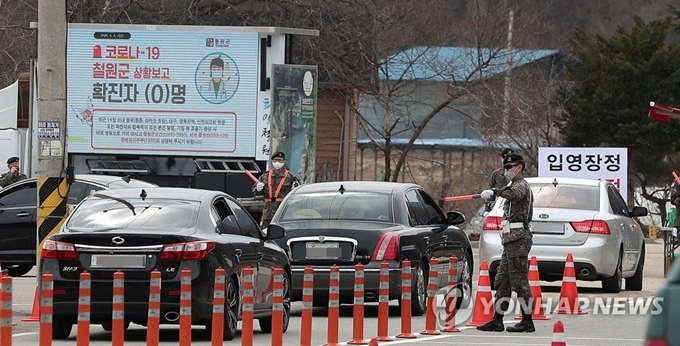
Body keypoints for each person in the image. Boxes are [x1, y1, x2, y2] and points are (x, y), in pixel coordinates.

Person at [477, 153, 535, 333]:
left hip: (519, 239)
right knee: (503, 280)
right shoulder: (512, 185)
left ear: (519, 168)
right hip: (510, 239)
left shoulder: (521, 186)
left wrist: (495, 191)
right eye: (506, 167)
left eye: (510, 168)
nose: (507, 171)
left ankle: (527, 320)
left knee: (519, 280)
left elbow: (514, 195)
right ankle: (497, 320)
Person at [253, 151, 301, 228]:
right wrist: (258, 189)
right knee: (266, 233)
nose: (277, 162)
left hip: (284, 211)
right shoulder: (265, 176)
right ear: (272, 161)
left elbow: (297, 193)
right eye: (275, 160)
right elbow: (255, 192)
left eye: (280, 160)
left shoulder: (291, 177)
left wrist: (295, 189)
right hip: (268, 212)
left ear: (284, 161)